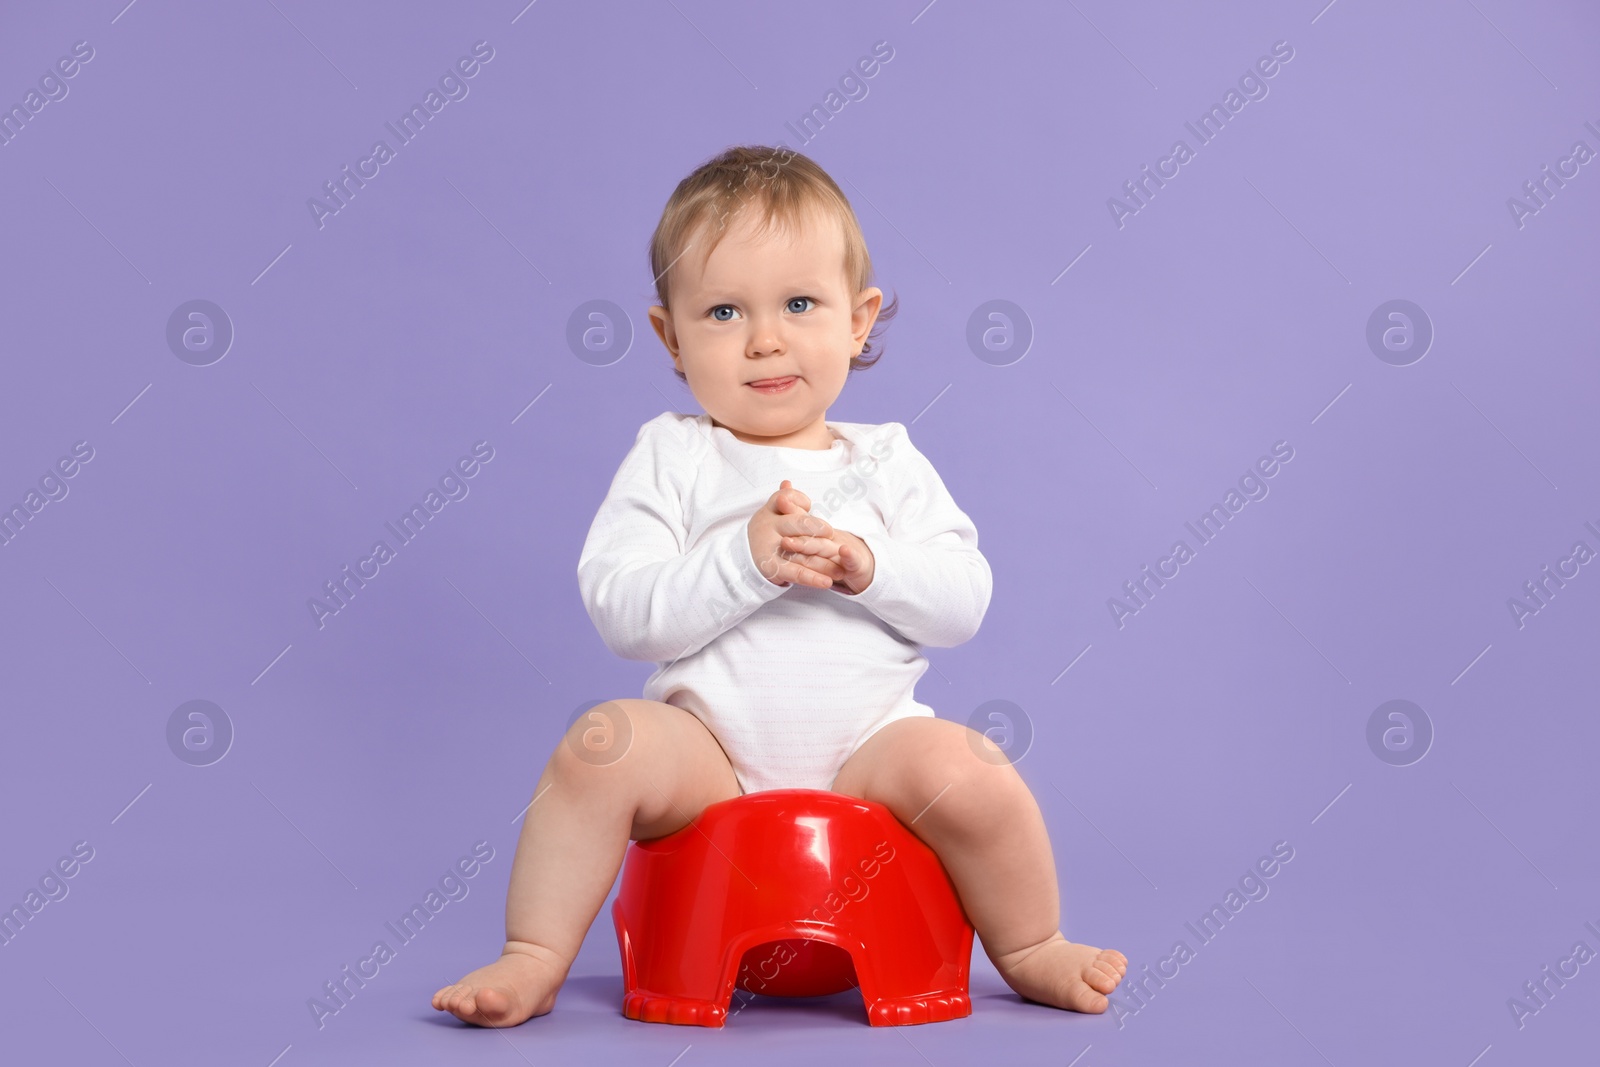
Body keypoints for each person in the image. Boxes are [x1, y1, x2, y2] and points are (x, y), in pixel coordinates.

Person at [432, 145, 1127, 1026]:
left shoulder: (886, 460)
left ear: (860, 319)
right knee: (599, 744)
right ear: (670, 337)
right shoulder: (673, 453)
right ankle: (532, 955)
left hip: (869, 752)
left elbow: (964, 601)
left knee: (972, 768)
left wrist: (868, 564)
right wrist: (745, 563)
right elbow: (622, 608)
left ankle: (1030, 944)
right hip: (710, 757)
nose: (765, 337)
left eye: (800, 304)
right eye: (723, 311)